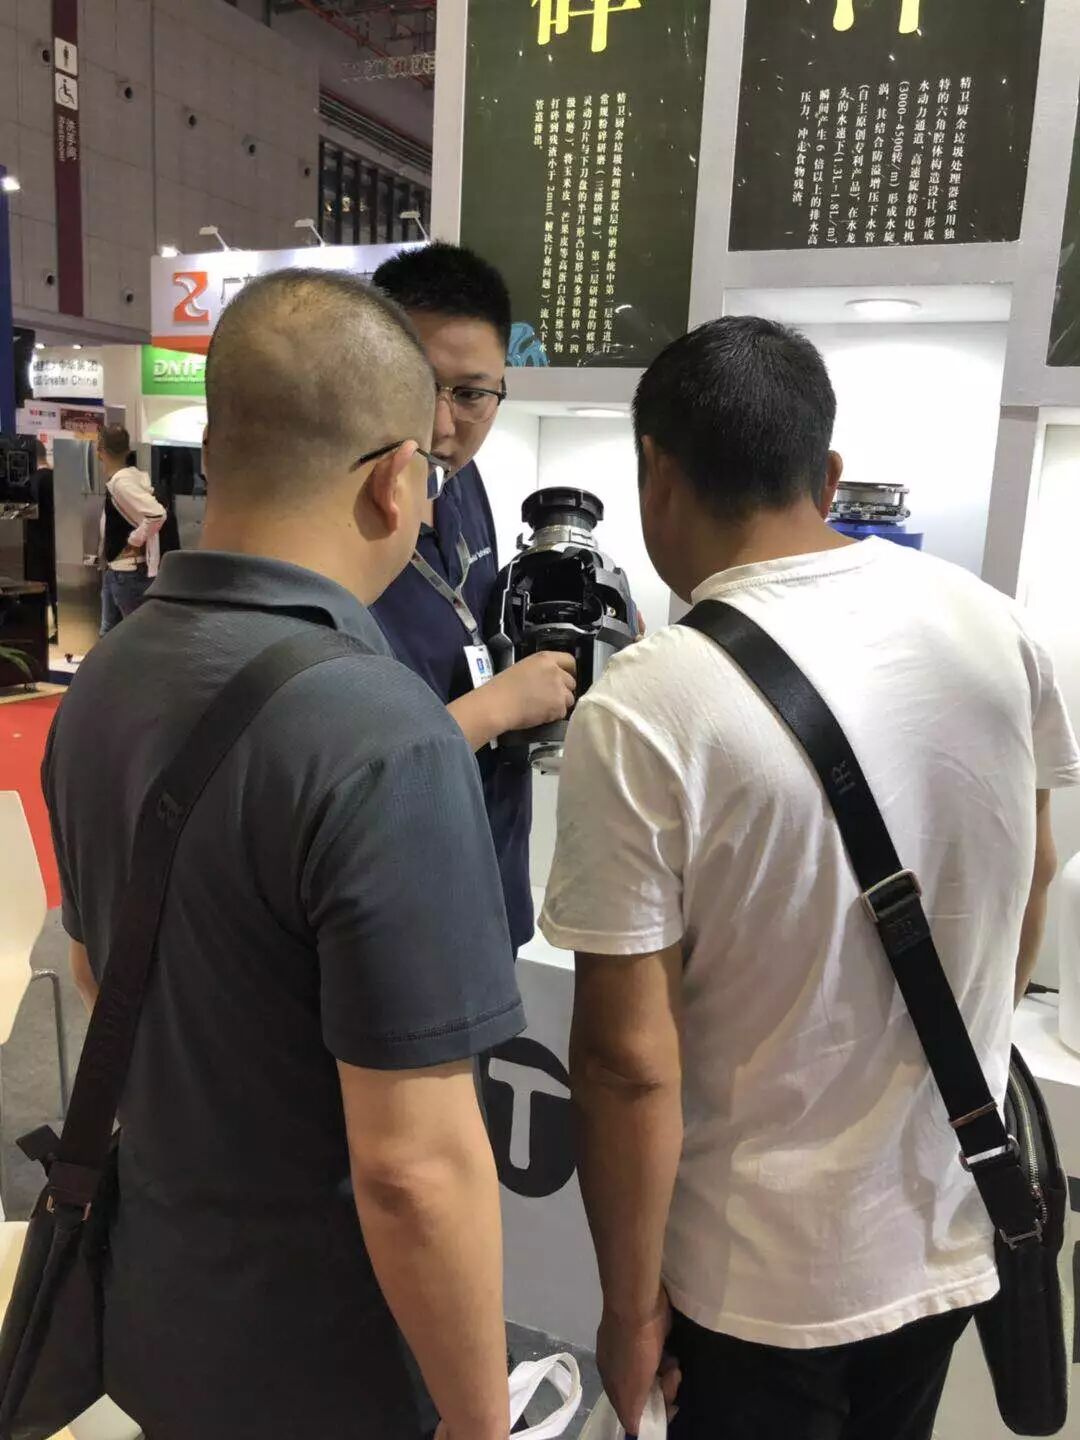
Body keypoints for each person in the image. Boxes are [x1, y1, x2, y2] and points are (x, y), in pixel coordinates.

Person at [540, 317, 1080, 1440]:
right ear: (827, 474)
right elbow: (1029, 875)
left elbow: (628, 1064)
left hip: (751, 1279)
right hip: (949, 1222)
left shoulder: (646, 701)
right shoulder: (998, 628)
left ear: (654, 471)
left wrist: (628, 1310)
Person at [44, 269, 523, 1440]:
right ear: (396, 480)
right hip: (327, 1360)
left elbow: (98, 972)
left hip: (160, 1314)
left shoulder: (106, 675)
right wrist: (480, 1422)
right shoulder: (385, 735)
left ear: (218, 451)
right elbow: (415, 1170)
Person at [371, 243, 576, 957]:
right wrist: (497, 706)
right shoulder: (334, 525)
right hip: (397, 899)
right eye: (417, 384)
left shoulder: (461, 480)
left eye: (471, 394)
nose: (442, 426)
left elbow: (474, 625)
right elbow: (345, 774)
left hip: (491, 856)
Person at [97, 424, 166, 634]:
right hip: (117, 571)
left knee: (134, 635)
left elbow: (157, 514)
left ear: (100, 450)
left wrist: (134, 540)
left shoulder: (122, 483)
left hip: (127, 574)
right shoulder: (124, 480)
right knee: (110, 633)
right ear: (127, 450)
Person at [23, 439, 56, 631]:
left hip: (36, 544)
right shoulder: (56, 477)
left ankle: (38, 633)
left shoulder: (33, 481)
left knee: (36, 594)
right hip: (57, 542)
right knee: (57, 592)